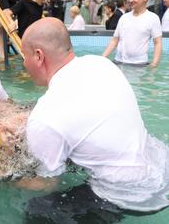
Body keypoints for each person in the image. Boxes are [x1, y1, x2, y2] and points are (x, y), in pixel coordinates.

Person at [20, 17, 169, 215]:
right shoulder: (101, 64)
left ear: (39, 56)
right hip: (162, 165)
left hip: (132, 196)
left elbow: (46, 183)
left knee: (35, 210)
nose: (23, 62)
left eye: (24, 55)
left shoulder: (45, 117)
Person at [102, 0, 162, 67]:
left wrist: (154, 64)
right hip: (118, 61)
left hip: (139, 64)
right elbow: (114, 41)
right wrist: (102, 58)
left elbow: (158, 43)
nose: (131, 0)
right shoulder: (124, 17)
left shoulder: (153, 18)